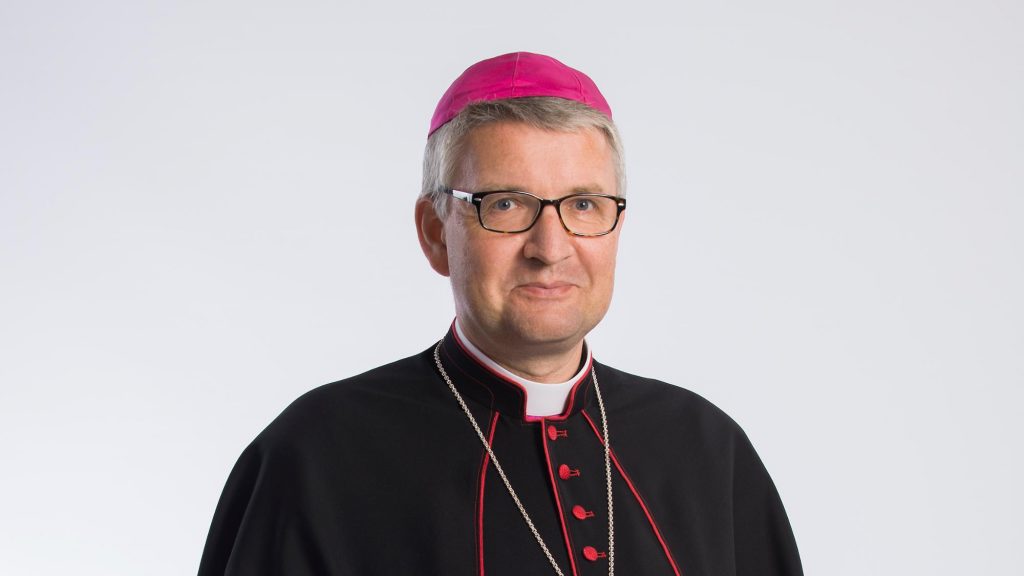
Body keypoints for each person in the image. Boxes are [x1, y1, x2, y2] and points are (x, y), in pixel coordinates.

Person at [198, 52, 803, 576]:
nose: (550, 248)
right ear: (436, 232)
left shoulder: (707, 449)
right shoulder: (315, 456)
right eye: (506, 204)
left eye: (584, 204)